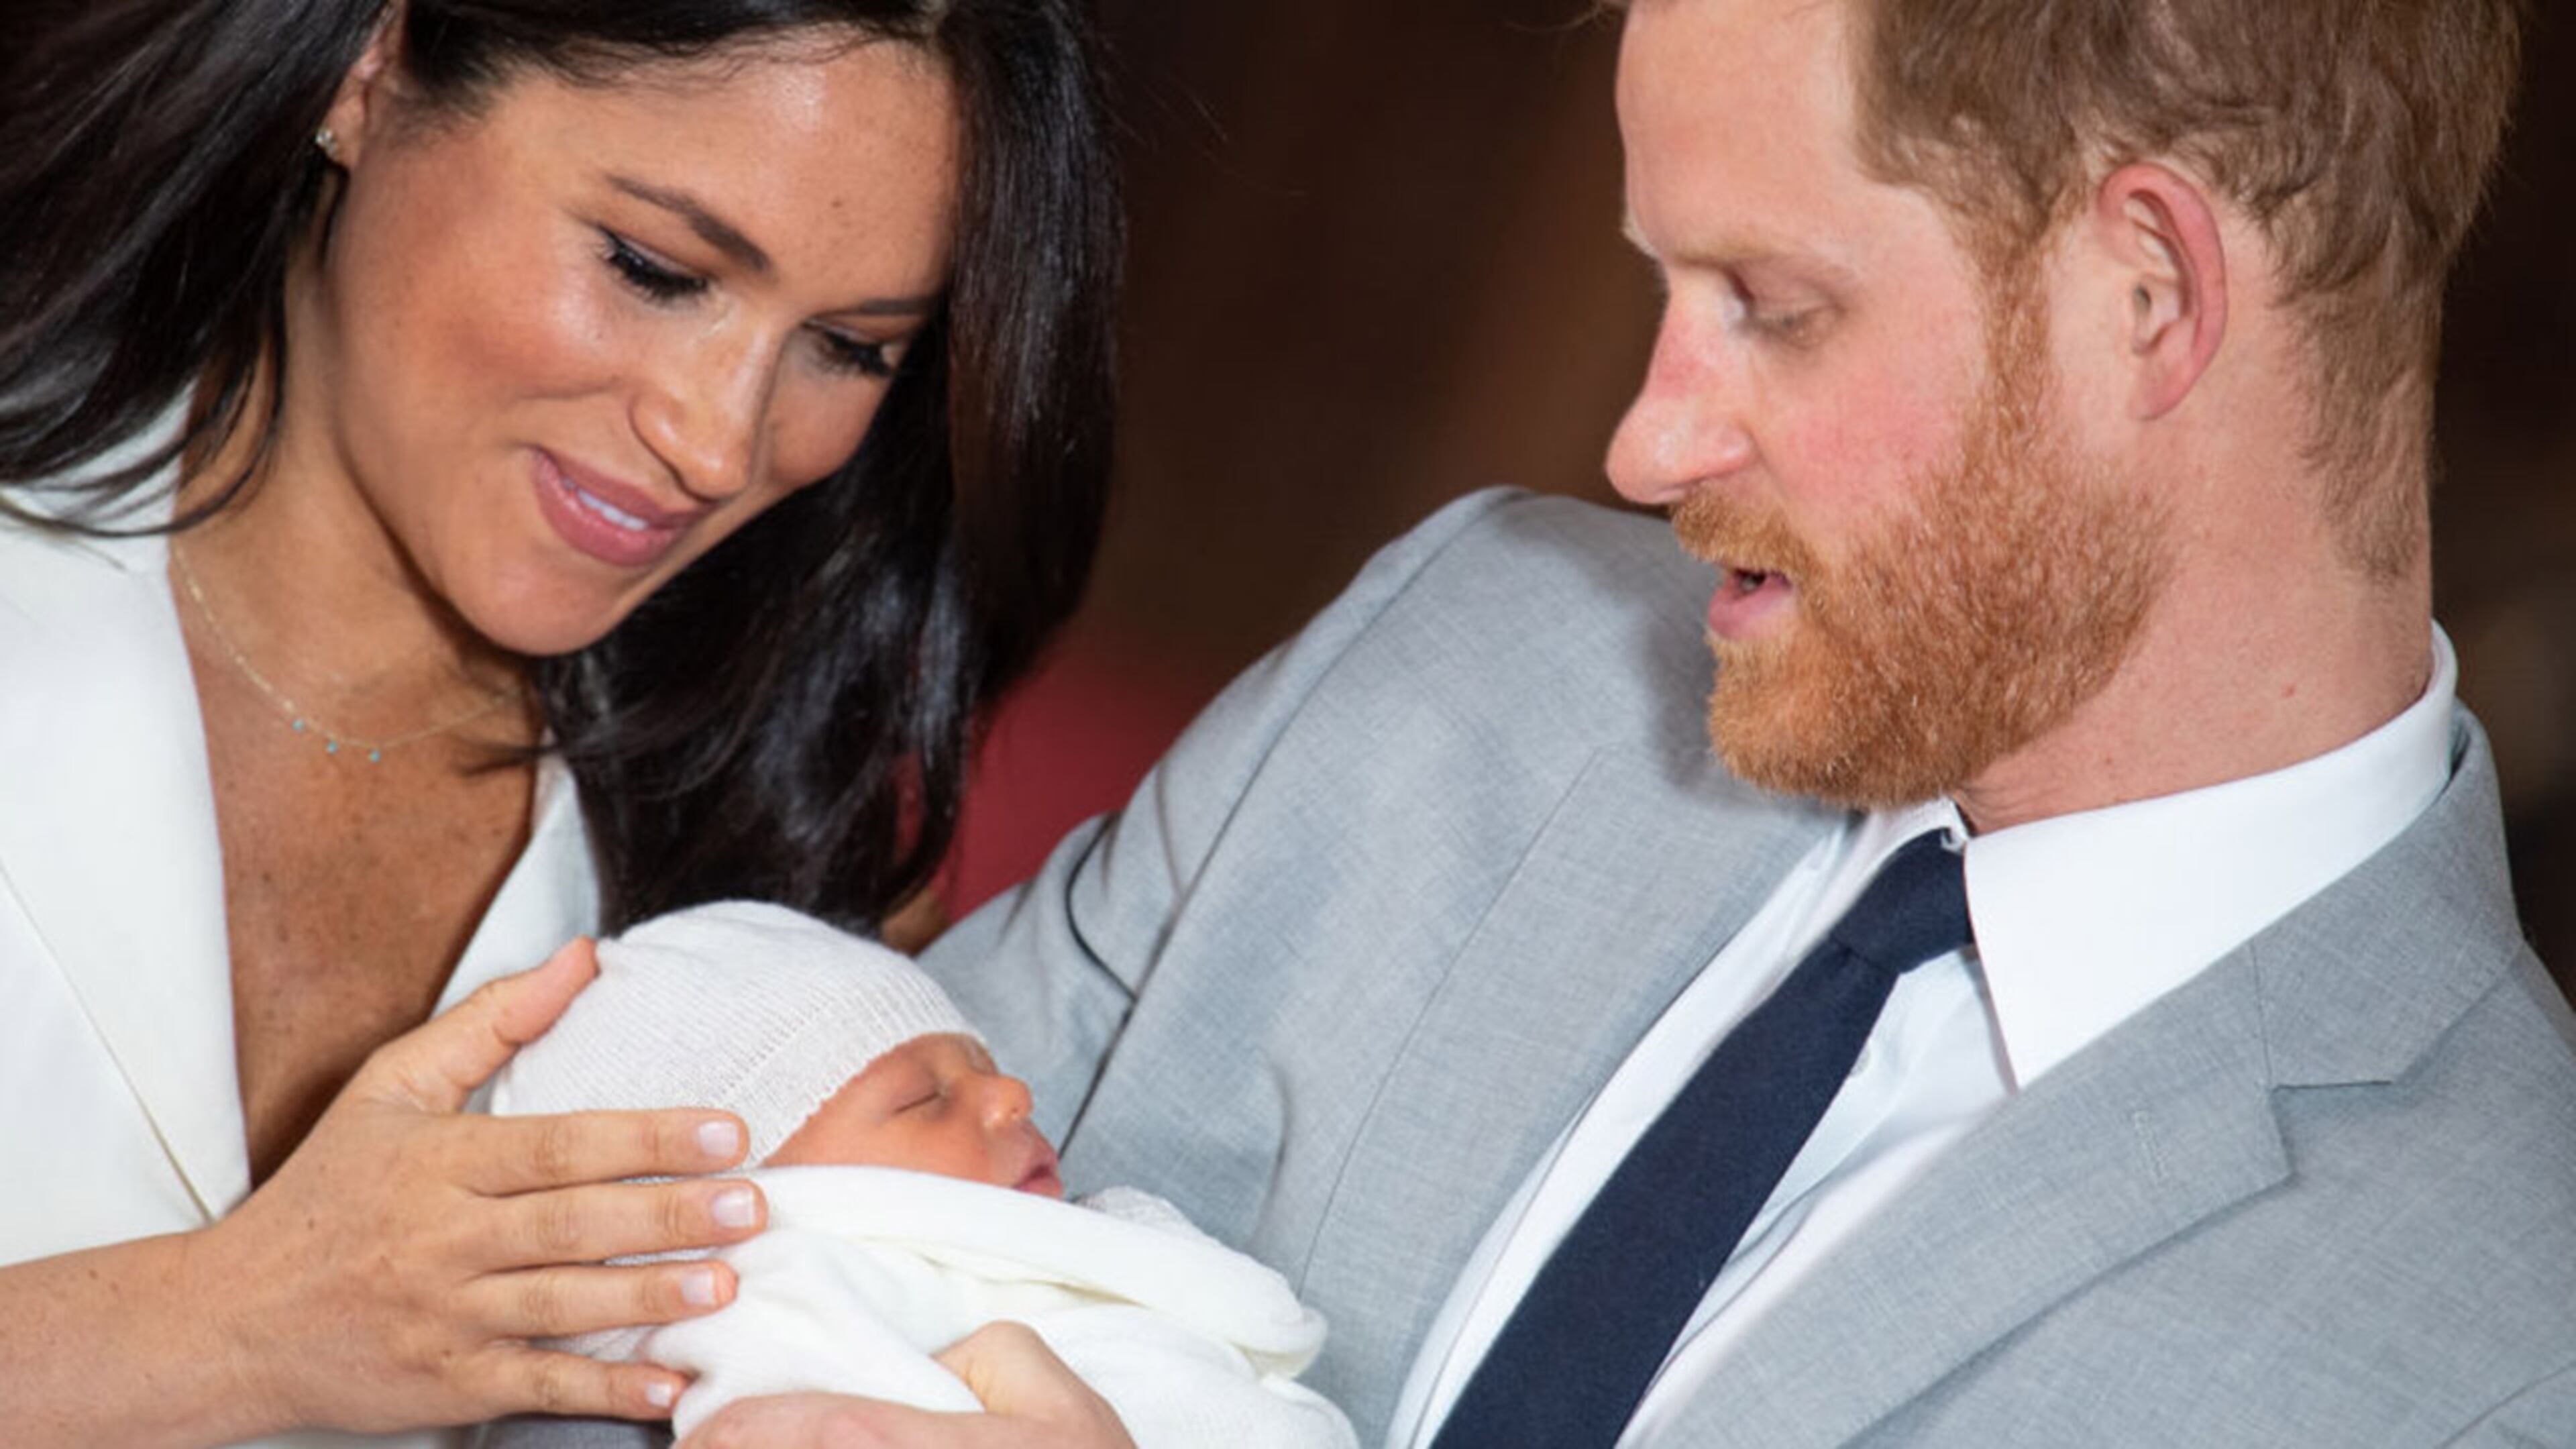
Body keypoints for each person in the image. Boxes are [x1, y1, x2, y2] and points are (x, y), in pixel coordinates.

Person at [691, 0, 2576, 1443]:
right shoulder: (1463, 647)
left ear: (2150, 296)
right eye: (1665, 286)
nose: (1646, 448)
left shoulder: (2515, 1356)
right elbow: (685, 1263)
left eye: (1771, 304)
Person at [0, 0, 1117, 1442]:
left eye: (849, 346)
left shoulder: (769, 873)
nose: (717, 442)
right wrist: (230, 1325)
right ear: (373, 66)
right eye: (655, 268)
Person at [477, 900, 1357, 1448]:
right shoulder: (785, 1301)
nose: (1012, 1094)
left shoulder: (1084, 1252)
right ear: (734, 1211)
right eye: (925, 1098)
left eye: (987, 1064)